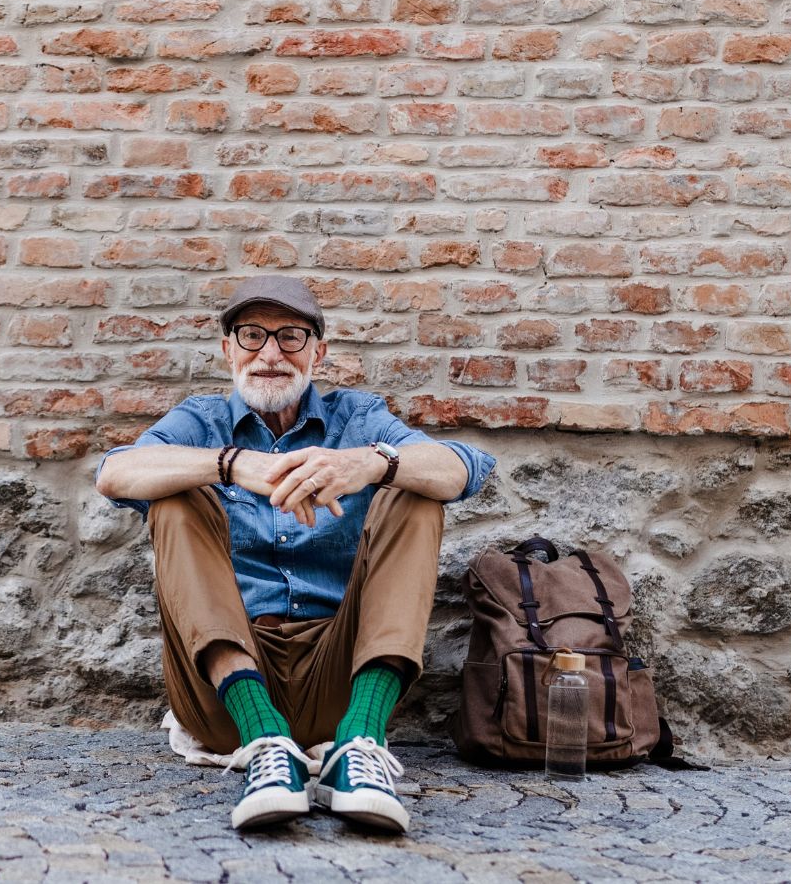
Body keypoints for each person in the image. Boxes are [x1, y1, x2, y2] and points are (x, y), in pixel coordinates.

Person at [94, 275, 497, 834]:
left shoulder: (356, 417)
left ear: (318, 352)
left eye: (291, 337)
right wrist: (231, 465)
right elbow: (114, 473)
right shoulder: (201, 420)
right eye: (252, 335)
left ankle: (359, 742)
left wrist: (371, 463)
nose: (270, 354)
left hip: (340, 675)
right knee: (175, 497)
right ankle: (263, 743)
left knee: (415, 491)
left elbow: (465, 468)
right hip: (223, 692)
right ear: (228, 349)